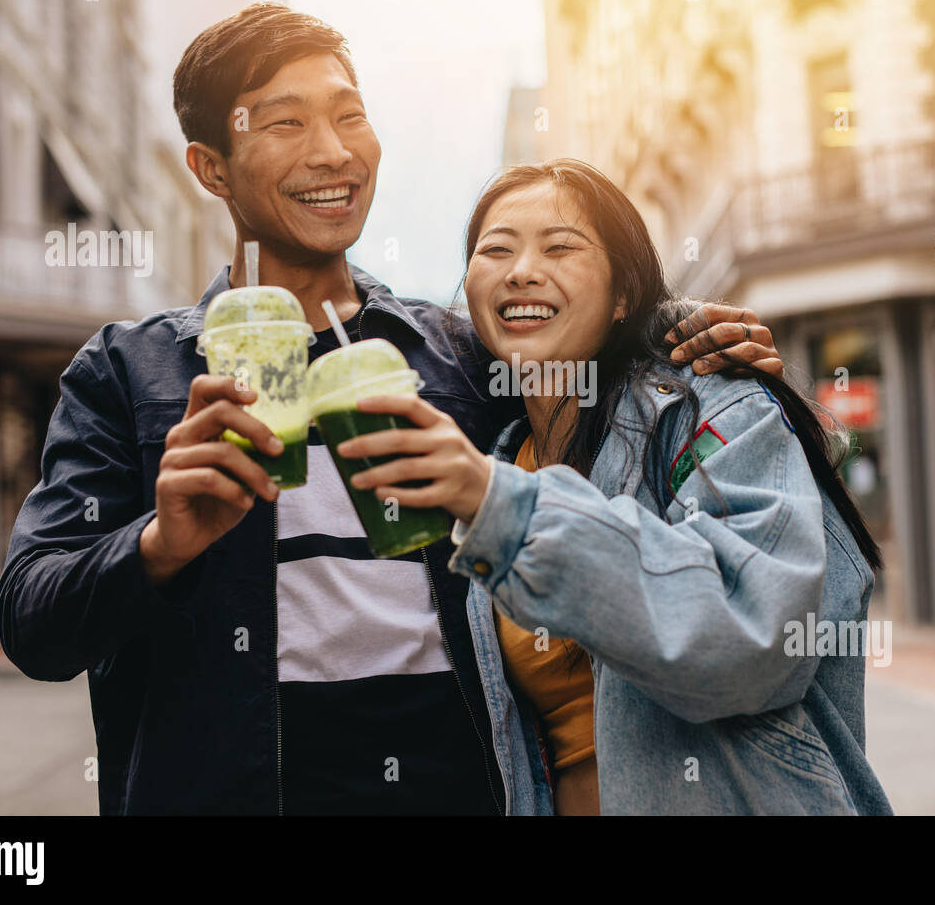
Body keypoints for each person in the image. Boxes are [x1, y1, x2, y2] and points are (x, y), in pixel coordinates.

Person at [0, 4, 783, 815]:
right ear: (211, 167)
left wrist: (668, 327)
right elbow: (34, 622)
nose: (333, 153)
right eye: (286, 123)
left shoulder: (461, 355)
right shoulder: (128, 373)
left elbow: (579, 362)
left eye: (350, 115)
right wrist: (159, 544)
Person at [341, 160, 895, 814]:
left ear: (624, 294)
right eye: (495, 249)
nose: (521, 269)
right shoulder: (498, 450)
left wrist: (503, 507)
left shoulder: (708, 406)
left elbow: (752, 636)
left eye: (559, 246)